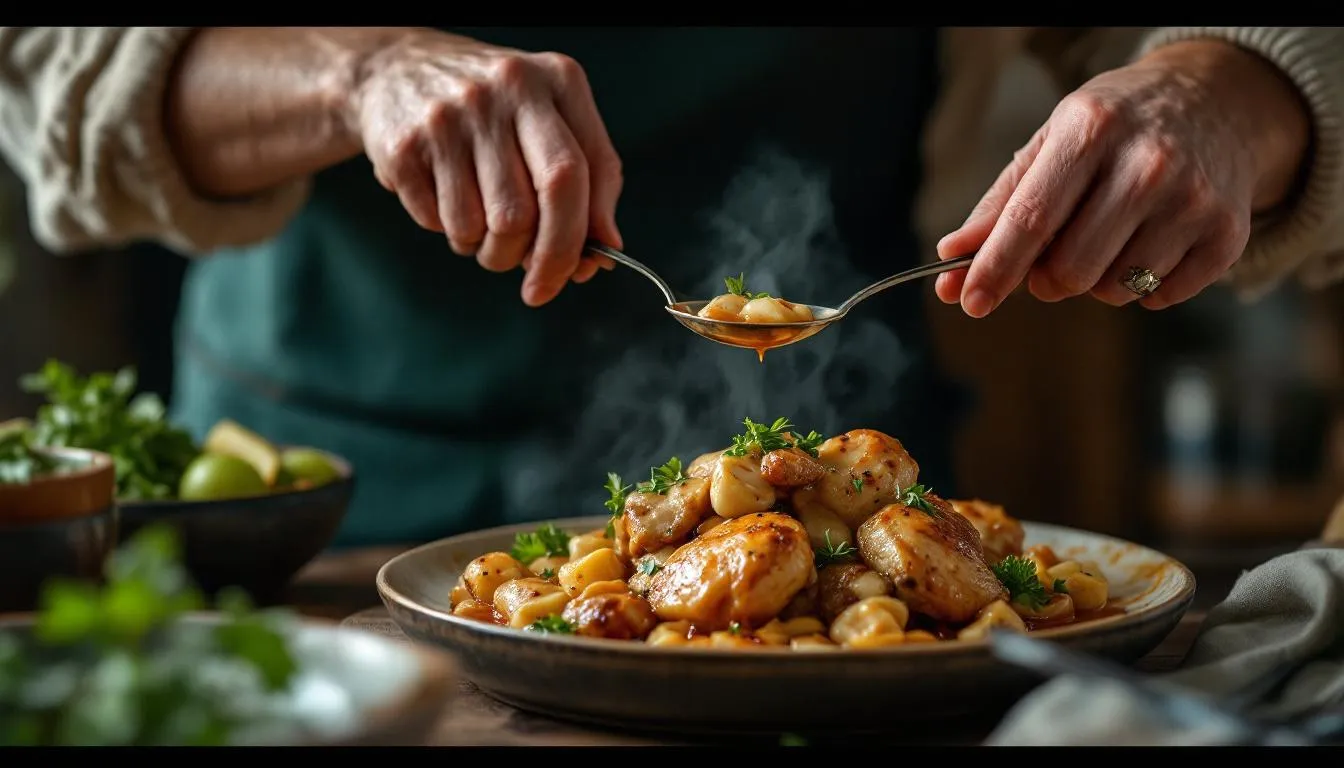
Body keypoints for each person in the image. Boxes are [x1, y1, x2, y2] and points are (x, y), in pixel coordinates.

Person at [0, 27, 1341, 548]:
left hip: (869, 525)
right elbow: (58, 65)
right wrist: (358, 75)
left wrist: (1226, 89)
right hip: (318, 524)